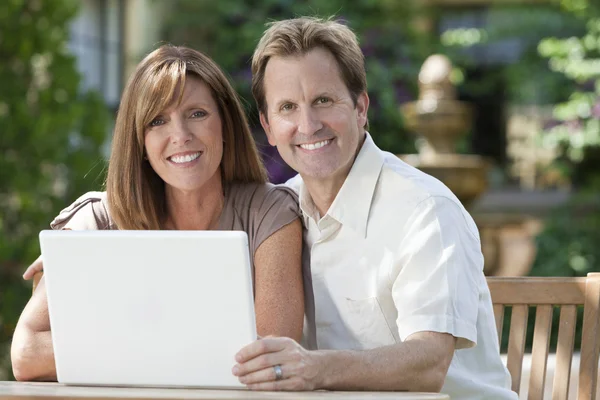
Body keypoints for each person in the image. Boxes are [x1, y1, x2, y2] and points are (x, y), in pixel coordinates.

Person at [231, 17, 518, 399]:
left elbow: (429, 362)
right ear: (268, 126)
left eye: (323, 100)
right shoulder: (278, 212)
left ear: (360, 107)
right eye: (288, 107)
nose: (308, 124)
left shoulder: (426, 210)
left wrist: (313, 368)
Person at [11, 45, 307, 382]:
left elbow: (268, 358)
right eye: (158, 121)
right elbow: (26, 354)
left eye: (197, 113)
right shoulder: (95, 222)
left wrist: (120, 338)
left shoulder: (269, 213)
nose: (180, 136)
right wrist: (186, 344)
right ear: (140, 142)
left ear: (225, 124)